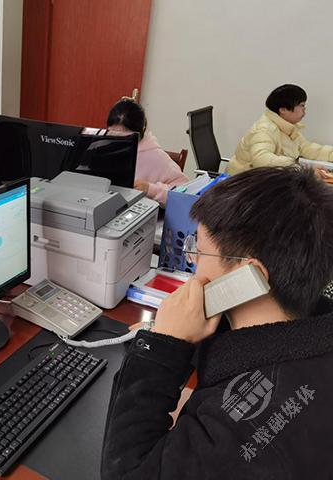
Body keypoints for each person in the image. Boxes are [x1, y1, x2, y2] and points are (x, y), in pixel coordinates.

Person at [101, 166, 333, 479]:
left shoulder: (242, 428)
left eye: (199, 251)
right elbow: (255, 347)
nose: (192, 261)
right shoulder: (311, 331)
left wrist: (159, 352)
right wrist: (179, 338)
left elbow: (127, 472)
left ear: (250, 275)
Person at [228, 84, 333, 175]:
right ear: (283, 109)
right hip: (243, 183)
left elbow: (307, 149)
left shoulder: (287, 127)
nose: (304, 109)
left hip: (266, 180)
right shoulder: (264, 129)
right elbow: (261, 159)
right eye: (301, 105)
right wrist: (301, 167)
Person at [106, 99, 188, 206]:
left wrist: (150, 189)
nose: (119, 143)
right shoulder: (102, 145)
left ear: (142, 131)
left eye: (127, 138)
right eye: (113, 135)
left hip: (136, 209)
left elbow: (185, 192)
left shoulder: (155, 156)